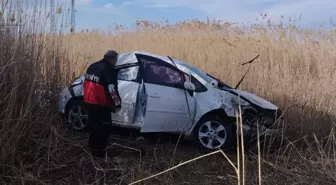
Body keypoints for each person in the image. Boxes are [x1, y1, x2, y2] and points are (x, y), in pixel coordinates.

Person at [83, 50, 122, 158]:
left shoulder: (92, 66)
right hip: (101, 104)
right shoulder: (109, 70)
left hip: (88, 101)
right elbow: (111, 90)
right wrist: (117, 104)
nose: (116, 62)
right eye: (116, 60)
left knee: (93, 127)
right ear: (113, 59)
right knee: (104, 130)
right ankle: (100, 154)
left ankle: (92, 149)